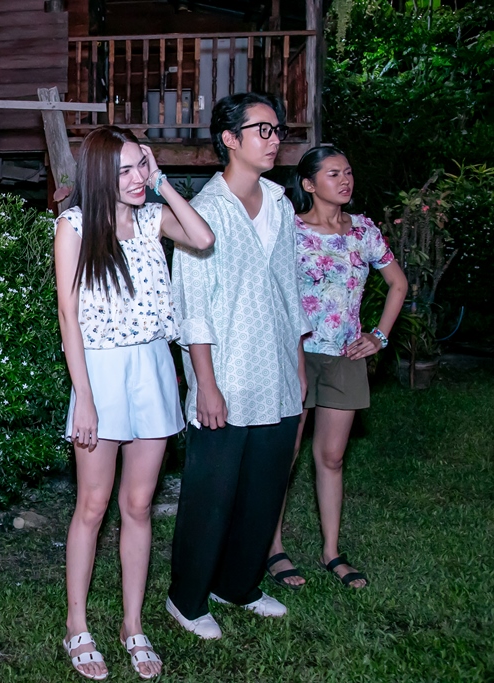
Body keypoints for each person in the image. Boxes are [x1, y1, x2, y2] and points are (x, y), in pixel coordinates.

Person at [55, 126, 214, 680]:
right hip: (99, 370)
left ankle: (132, 623)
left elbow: (202, 237)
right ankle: (77, 624)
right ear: (100, 175)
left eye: (140, 165)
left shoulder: (152, 218)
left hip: (152, 366)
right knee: (93, 504)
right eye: (124, 169)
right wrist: (85, 399)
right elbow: (68, 317)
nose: (136, 178)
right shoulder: (75, 226)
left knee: (140, 505)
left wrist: (162, 179)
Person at [167, 93, 313, 640]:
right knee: (212, 495)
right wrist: (205, 385)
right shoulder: (204, 211)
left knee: (264, 489)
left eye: (277, 130)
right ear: (230, 139)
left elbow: (290, 292)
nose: (274, 140)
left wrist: (298, 364)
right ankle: (186, 598)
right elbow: (193, 307)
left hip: (276, 371)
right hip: (226, 375)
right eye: (262, 130)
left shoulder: (280, 203)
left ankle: (239, 585)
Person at [265, 146, 407, 590]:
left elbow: (398, 283)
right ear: (308, 184)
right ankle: (273, 547)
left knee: (332, 457)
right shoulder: (289, 229)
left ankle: (331, 551)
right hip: (297, 355)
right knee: (285, 455)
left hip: (346, 356)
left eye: (347, 172)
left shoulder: (363, 230)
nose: (345, 180)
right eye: (332, 174)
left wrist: (378, 337)